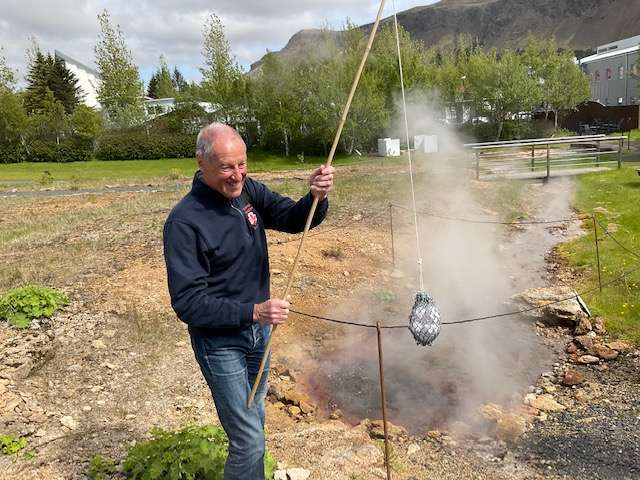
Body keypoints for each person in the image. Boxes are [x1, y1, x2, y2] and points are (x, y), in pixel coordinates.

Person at [163, 123, 334, 479]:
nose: (237, 175)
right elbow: (188, 302)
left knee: (255, 424)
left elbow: (292, 218)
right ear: (201, 163)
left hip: (259, 336)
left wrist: (315, 197)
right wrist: (253, 311)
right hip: (220, 343)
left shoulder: (248, 192)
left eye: (242, 164)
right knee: (248, 441)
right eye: (227, 167)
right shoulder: (184, 222)